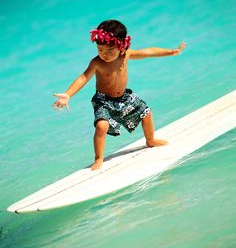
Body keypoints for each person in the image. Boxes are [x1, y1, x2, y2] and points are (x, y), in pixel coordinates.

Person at [52, 19, 186, 170]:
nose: (104, 54)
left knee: (146, 113)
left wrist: (170, 52)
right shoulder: (97, 63)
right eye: (100, 50)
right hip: (104, 100)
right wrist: (68, 94)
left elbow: (147, 52)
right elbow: (83, 77)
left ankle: (150, 140)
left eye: (110, 51)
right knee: (102, 126)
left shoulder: (126, 55)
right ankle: (98, 158)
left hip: (124, 98)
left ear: (121, 46)